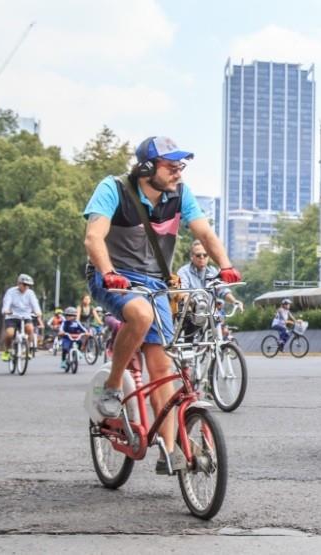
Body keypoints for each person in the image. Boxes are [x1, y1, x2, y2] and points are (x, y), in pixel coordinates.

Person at [84, 135, 240, 474]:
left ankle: (170, 451)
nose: (178, 173)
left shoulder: (180, 195)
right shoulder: (114, 189)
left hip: (155, 283)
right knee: (139, 313)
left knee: (162, 368)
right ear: (146, 167)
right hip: (114, 277)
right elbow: (94, 236)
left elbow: (205, 234)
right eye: (171, 166)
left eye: (180, 166)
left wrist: (225, 266)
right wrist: (108, 272)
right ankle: (112, 387)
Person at [177, 240, 243, 307]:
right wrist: (188, 300)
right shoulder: (184, 272)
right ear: (191, 256)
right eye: (198, 255)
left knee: (220, 317)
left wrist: (234, 301)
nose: (202, 257)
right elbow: (183, 290)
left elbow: (222, 290)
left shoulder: (213, 271)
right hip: (190, 313)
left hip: (209, 314)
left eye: (205, 255)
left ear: (208, 257)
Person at [1, 274, 43, 361]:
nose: (26, 287)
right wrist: (6, 310)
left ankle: (27, 350)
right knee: (10, 334)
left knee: (30, 329)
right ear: (19, 283)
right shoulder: (11, 291)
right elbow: (7, 303)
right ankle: (7, 351)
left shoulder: (30, 293)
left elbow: (35, 304)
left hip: (26, 316)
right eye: (24, 284)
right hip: (12, 316)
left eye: (28, 285)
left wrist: (38, 312)